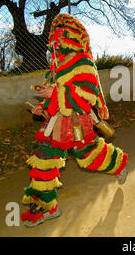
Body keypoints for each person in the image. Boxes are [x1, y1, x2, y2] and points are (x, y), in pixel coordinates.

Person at [21, 14, 128, 227]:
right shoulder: (54, 68)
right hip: (53, 124)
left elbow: (87, 96)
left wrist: (57, 92)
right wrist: (42, 105)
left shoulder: (84, 64)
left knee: (88, 156)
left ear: (69, 40)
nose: (54, 47)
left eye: (58, 42)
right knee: (43, 159)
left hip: (78, 123)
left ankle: (118, 163)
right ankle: (46, 206)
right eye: (52, 43)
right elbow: (52, 95)